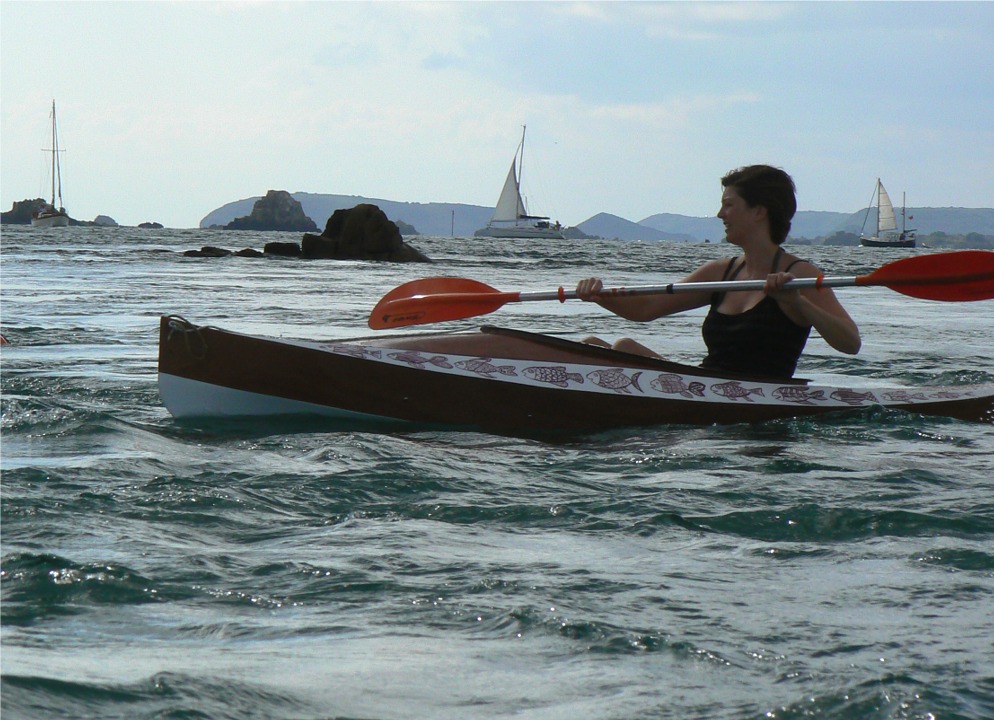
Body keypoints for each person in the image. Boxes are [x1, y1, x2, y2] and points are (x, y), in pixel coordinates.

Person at [575, 164, 861, 379]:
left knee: (616, 347)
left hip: (758, 402)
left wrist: (797, 302)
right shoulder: (722, 272)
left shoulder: (799, 274)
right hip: (707, 386)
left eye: (728, 205)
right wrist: (599, 295)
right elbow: (646, 309)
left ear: (759, 212)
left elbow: (850, 343)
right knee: (597, 346)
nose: (720, 214)